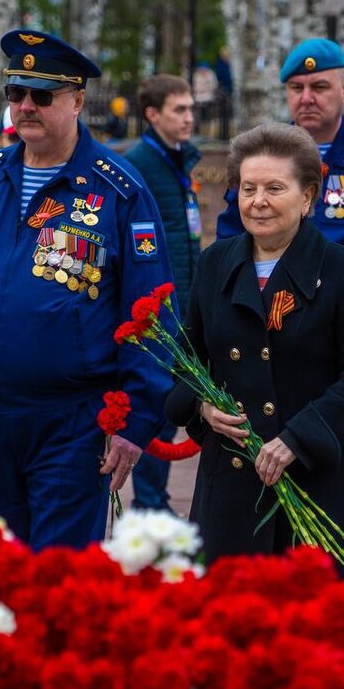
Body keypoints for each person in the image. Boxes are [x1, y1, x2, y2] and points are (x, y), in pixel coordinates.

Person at [0, 29, 175, 551]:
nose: (25, 106)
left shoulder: (118, 190)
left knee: (57, 580)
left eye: (42, 96)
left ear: (76, 101)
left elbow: (153, 312)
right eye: (16, 93)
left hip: (72, 425)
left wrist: (137, 418)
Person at [165, 123, 344, 580]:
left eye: (274, 187)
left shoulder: (343, 270)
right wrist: (204, 408)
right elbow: (187, 362)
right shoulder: (214, 264)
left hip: (319, 483)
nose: (258, 201)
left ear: (307, 198)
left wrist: (297, 439)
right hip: (232, 488)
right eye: (248, 188)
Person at [215, 38, 344, 298]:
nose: (306, 98)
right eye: (296, 87)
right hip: (261, 316)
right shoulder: (257, 159)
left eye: (319, 87)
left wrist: (323, 293)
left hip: (343, 320)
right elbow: (228, 247)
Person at [124, 74, 201, 513]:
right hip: (157, 315)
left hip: (184, 306)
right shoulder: (140, 166)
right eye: (179, 110)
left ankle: (156, 501)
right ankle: (149, 503)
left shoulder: (178, 162)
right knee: (156, 408)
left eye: (191, 109)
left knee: (174, 408)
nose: (189, 118)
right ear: (152, 115)